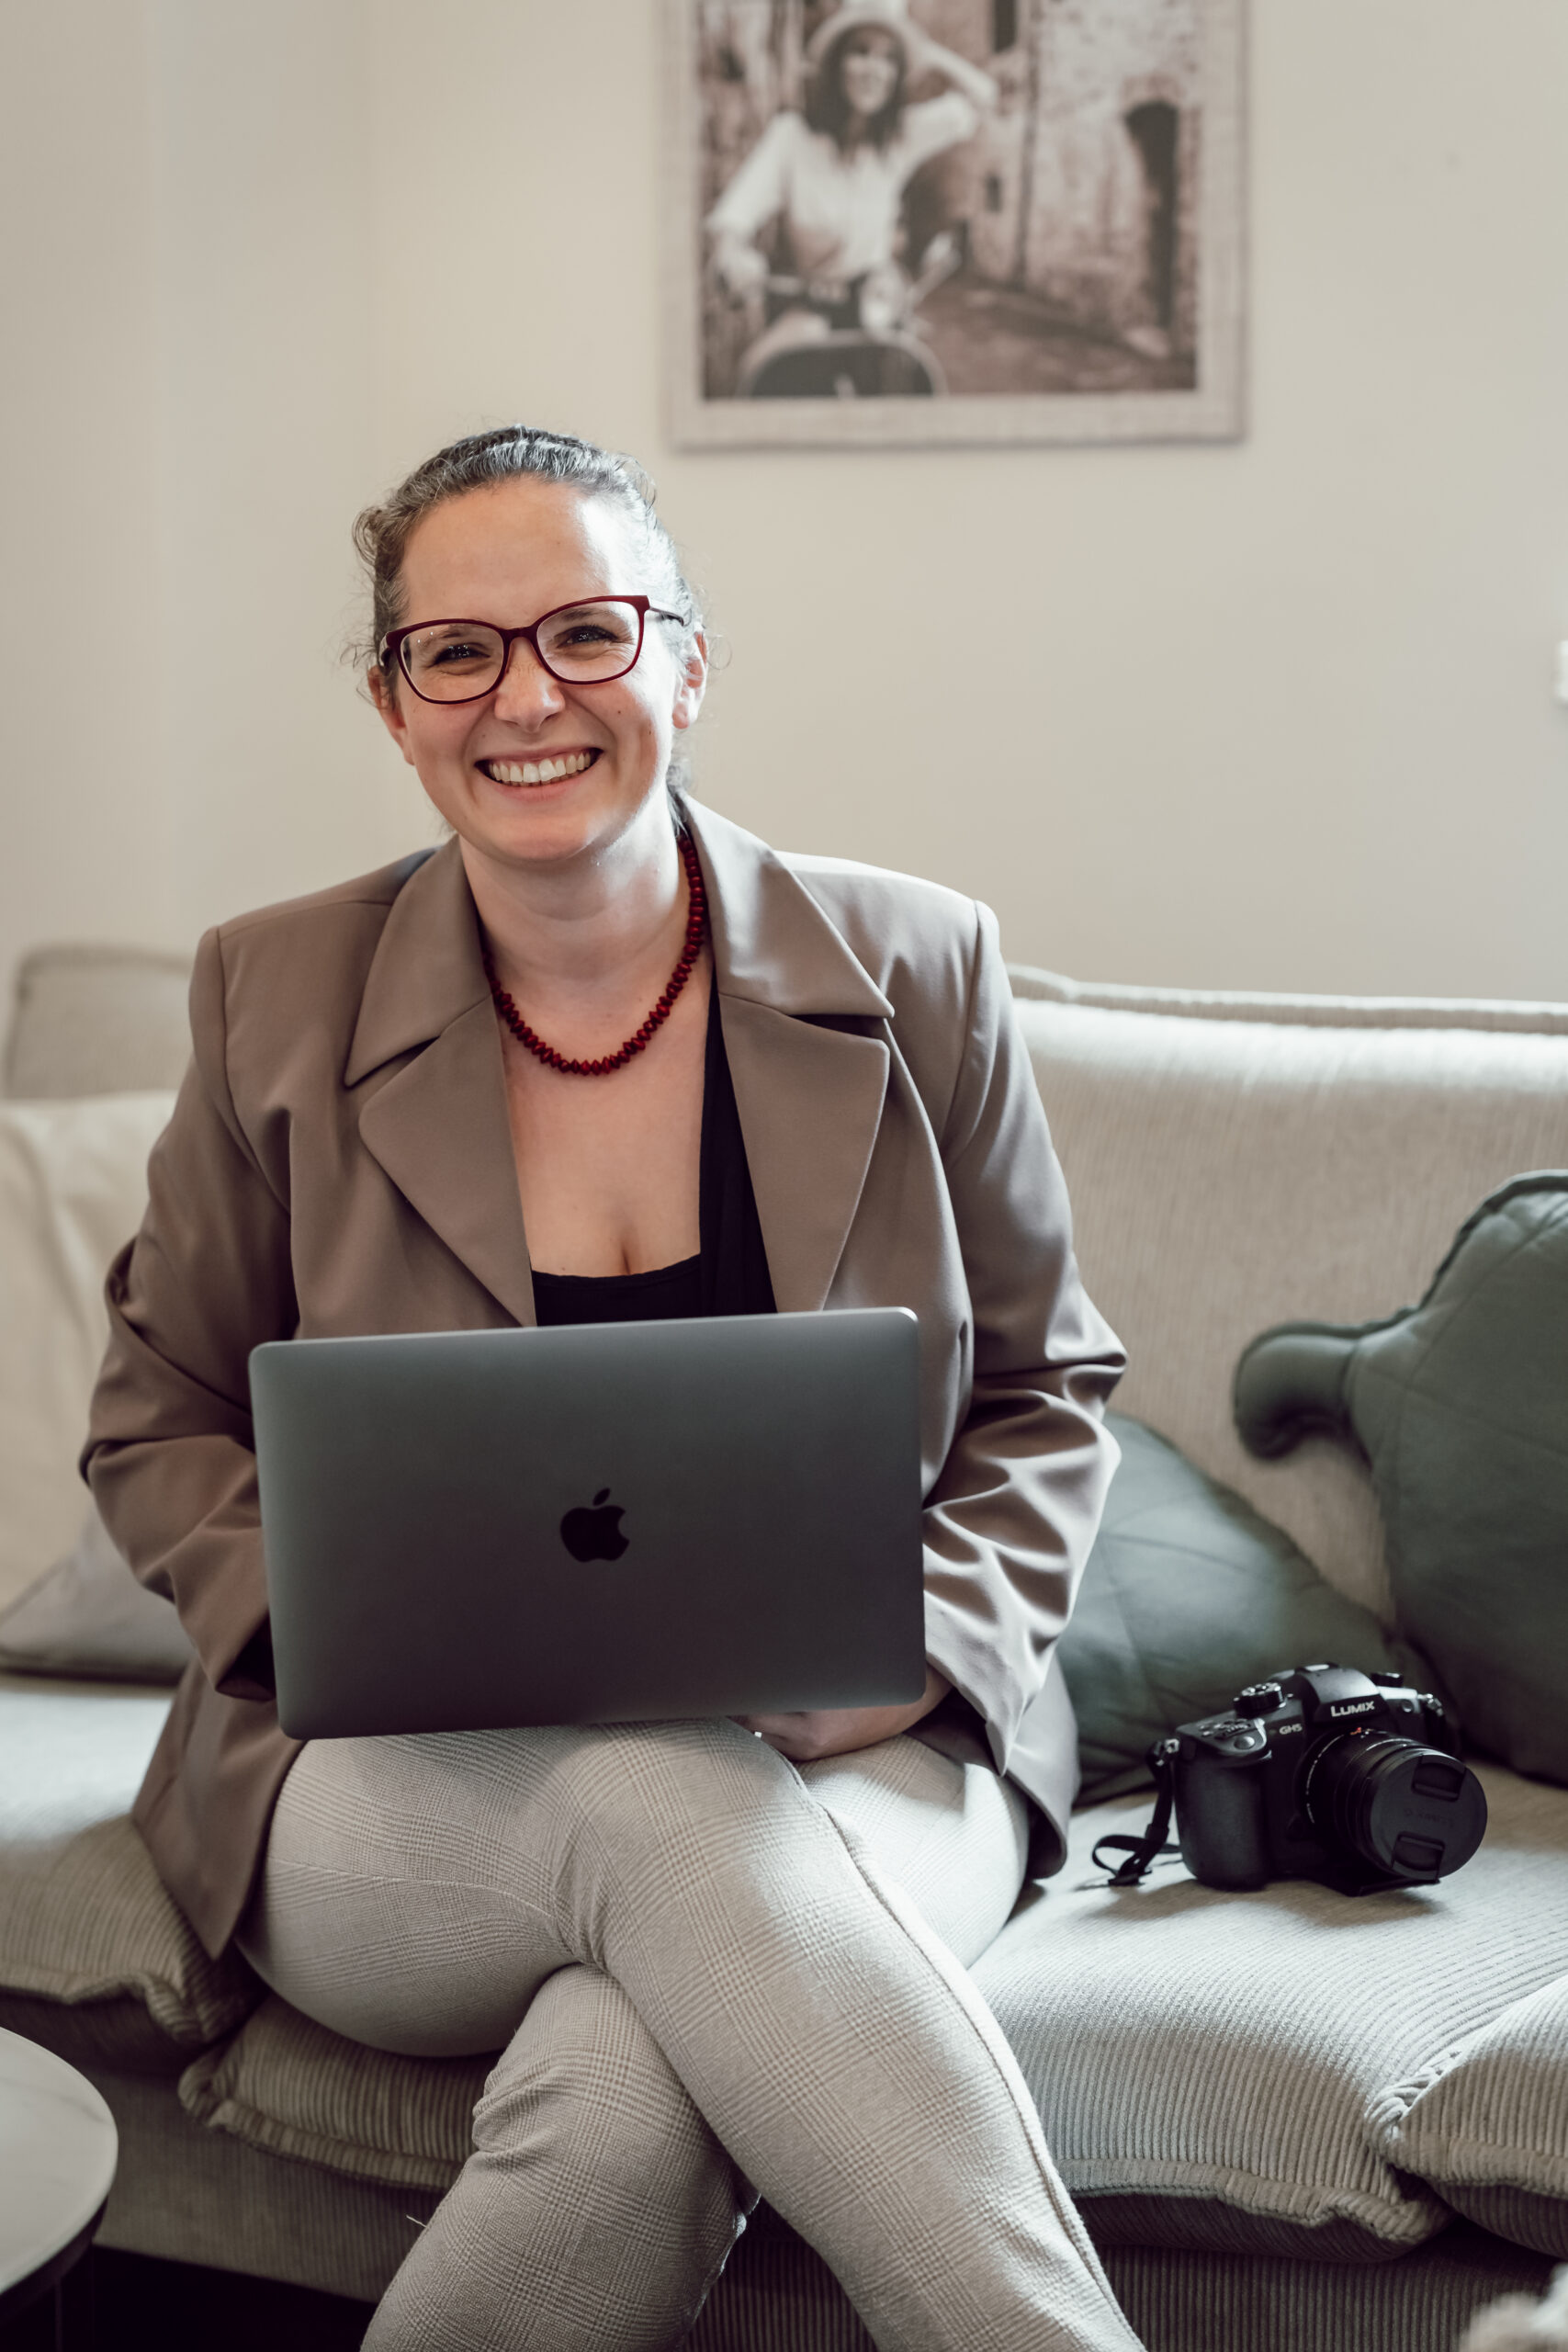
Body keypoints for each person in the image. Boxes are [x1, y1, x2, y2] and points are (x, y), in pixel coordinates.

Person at [85, 422, 1145, 2352]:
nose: (528, 697)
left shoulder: (916, 965)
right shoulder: (272, 990)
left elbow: (1050, 1382)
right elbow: (156, 1411)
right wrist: (325, 1623)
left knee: (629, 2083)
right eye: (457, 651)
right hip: (379, 1778)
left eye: (587, 631)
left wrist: (925, 1657)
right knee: (667, 1809)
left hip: (875, 1740)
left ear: (687, 660)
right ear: (396, 705)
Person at [707, 0, 996, 332]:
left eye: (889, 59)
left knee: (909, 372)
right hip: (810, 307)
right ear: (836, 63)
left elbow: (984, 98)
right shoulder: (792, 136)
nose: (875, 69)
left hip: (878, 309)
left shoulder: (899, 138)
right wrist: (732, 250)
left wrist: (925, 52)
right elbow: (734, 214)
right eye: (861, 52)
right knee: (773, 363)